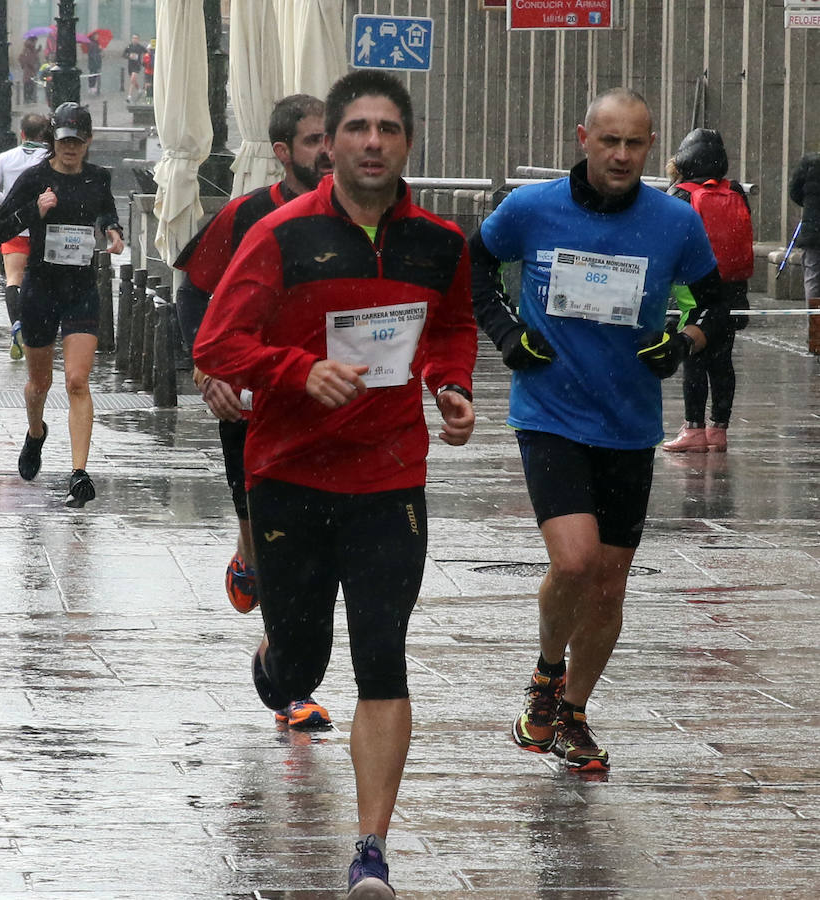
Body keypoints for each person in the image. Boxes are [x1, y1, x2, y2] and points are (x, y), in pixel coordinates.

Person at [193, 71, 477, 898]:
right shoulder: (279, 235)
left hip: (390, 476)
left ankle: (370, 851)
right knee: (301, 673)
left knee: (382, 660)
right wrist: (296, 369)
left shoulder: (440, 244)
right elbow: (217, 342)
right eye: (356, 127)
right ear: (331, 142)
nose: (372, 143)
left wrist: (449, 385)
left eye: (388, 129)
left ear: (407, 142)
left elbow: (449, 326)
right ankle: (276, 660)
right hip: (287, 476)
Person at [470, 87, 728, 773]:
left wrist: (683, 342)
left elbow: (717, 299)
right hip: (548, 413)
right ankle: (545, 673)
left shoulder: (673, 222)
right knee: (576, 562)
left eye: (634, 143)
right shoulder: (530, 208)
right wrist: (505, 335)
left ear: (650, 148)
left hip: (628, 421)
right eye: (608, 140)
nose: (619, 155)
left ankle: (570, 714)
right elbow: (473, 266)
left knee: (610, 585)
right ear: (582, 137)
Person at [174, 93, 334, 730]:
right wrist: (208, 366)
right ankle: (291, 684)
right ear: (281, 151)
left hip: (324, 404)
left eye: (333, 137)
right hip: (247, 400)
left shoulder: (353, 216)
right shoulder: (244, 217)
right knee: (270, 535)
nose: (327, 150)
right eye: (315, 139)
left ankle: (282, 647)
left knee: (309, 545)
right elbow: (194, 295)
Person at [0, 103, 124, 508]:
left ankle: (79, 474)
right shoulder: (35, 178)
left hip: (81, 288)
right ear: (54, 140)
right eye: (63, 141)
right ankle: (35, 434)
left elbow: (107, 212)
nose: (70, 149)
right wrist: (35, 210)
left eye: (77, 142)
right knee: (38, 385)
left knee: (77, 381)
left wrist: (114, 231)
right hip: (41, 288)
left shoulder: (99, 178)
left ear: (88, 142)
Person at [663, 129, 754, 453]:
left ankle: (694, 429)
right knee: (723, 359)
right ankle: (719, 429)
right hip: (733, 286)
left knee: (694, 356)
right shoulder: (736, 191)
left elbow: (668, 242)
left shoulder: (681, 194)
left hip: (697, 288)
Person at [0, 113, 51, 359]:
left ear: (22, 133)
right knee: (42, 281)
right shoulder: (50, 159)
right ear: (45, 135)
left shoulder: (5, 157)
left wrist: (10, 206)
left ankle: (17, 324)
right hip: (45, 229)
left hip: (16, 229)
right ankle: (38, 330)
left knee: (13, 279)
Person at [788, 150, 820, 355]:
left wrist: (810, 204)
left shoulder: (810, 162)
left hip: (813, 231)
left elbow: (794, 192)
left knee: (814, 281)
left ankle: (816, 337)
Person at [123, 34, 146, 103]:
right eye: (133, 38)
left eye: (136, 38)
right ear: (131, 39)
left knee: (133, 79)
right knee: (133, 80)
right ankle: (139, 89)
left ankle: (129, 96)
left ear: (138, 39)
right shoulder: (129, 46)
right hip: (130, 65)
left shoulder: (140, 47)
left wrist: (144, 60)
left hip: (137, 65)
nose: (134, 39)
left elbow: (146, 53)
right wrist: (129, 56)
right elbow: (123, 54)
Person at [18, 36, 41, 104]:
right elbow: (25, 59)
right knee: (29, 84)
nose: (36, 43)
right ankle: (28, 99)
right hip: (29, 71)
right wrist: (31, 65)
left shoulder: (30, 49)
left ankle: (29, 99)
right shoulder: (28, 49)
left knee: (30, 84)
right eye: (35, 41)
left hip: (30, 71)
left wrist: (38, 50)